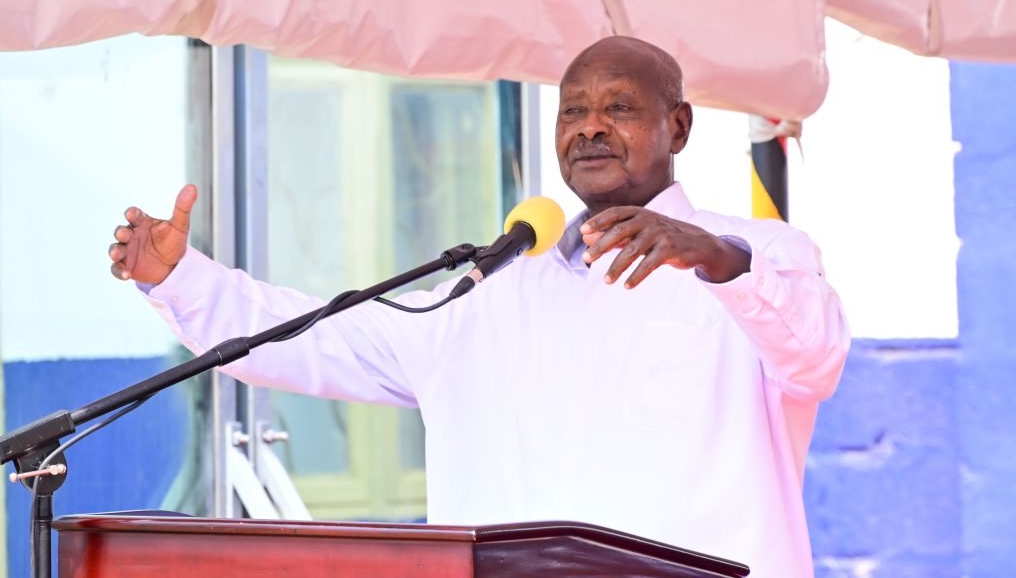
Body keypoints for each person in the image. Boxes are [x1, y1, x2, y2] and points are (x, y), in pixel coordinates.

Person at [109, 36, 849, 577]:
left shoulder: (761, 251)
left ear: (678, 126)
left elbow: (814, 357)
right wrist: (181, 280)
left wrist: (716, 257)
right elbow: (319, 339)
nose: (590, 127)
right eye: (573, 111)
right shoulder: (490, 290)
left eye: (619, 107)